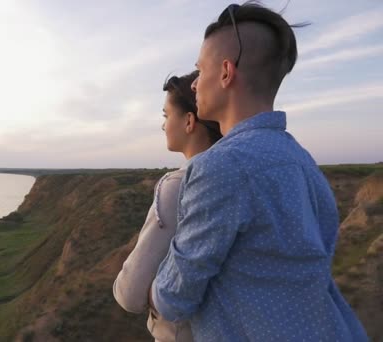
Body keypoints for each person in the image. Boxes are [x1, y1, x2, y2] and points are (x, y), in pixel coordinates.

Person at [150, 3, 369, 341]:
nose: (194, 85)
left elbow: (174, 296)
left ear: (225, 73)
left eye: (200, 70)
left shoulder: (220, 166)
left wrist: (151, 290)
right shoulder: (302, 160)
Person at [113, 70, 222, 342]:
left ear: (188, 121)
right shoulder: (237, 177)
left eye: (166, 115)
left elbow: (130, 294)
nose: (163, 126)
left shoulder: (178, 186)